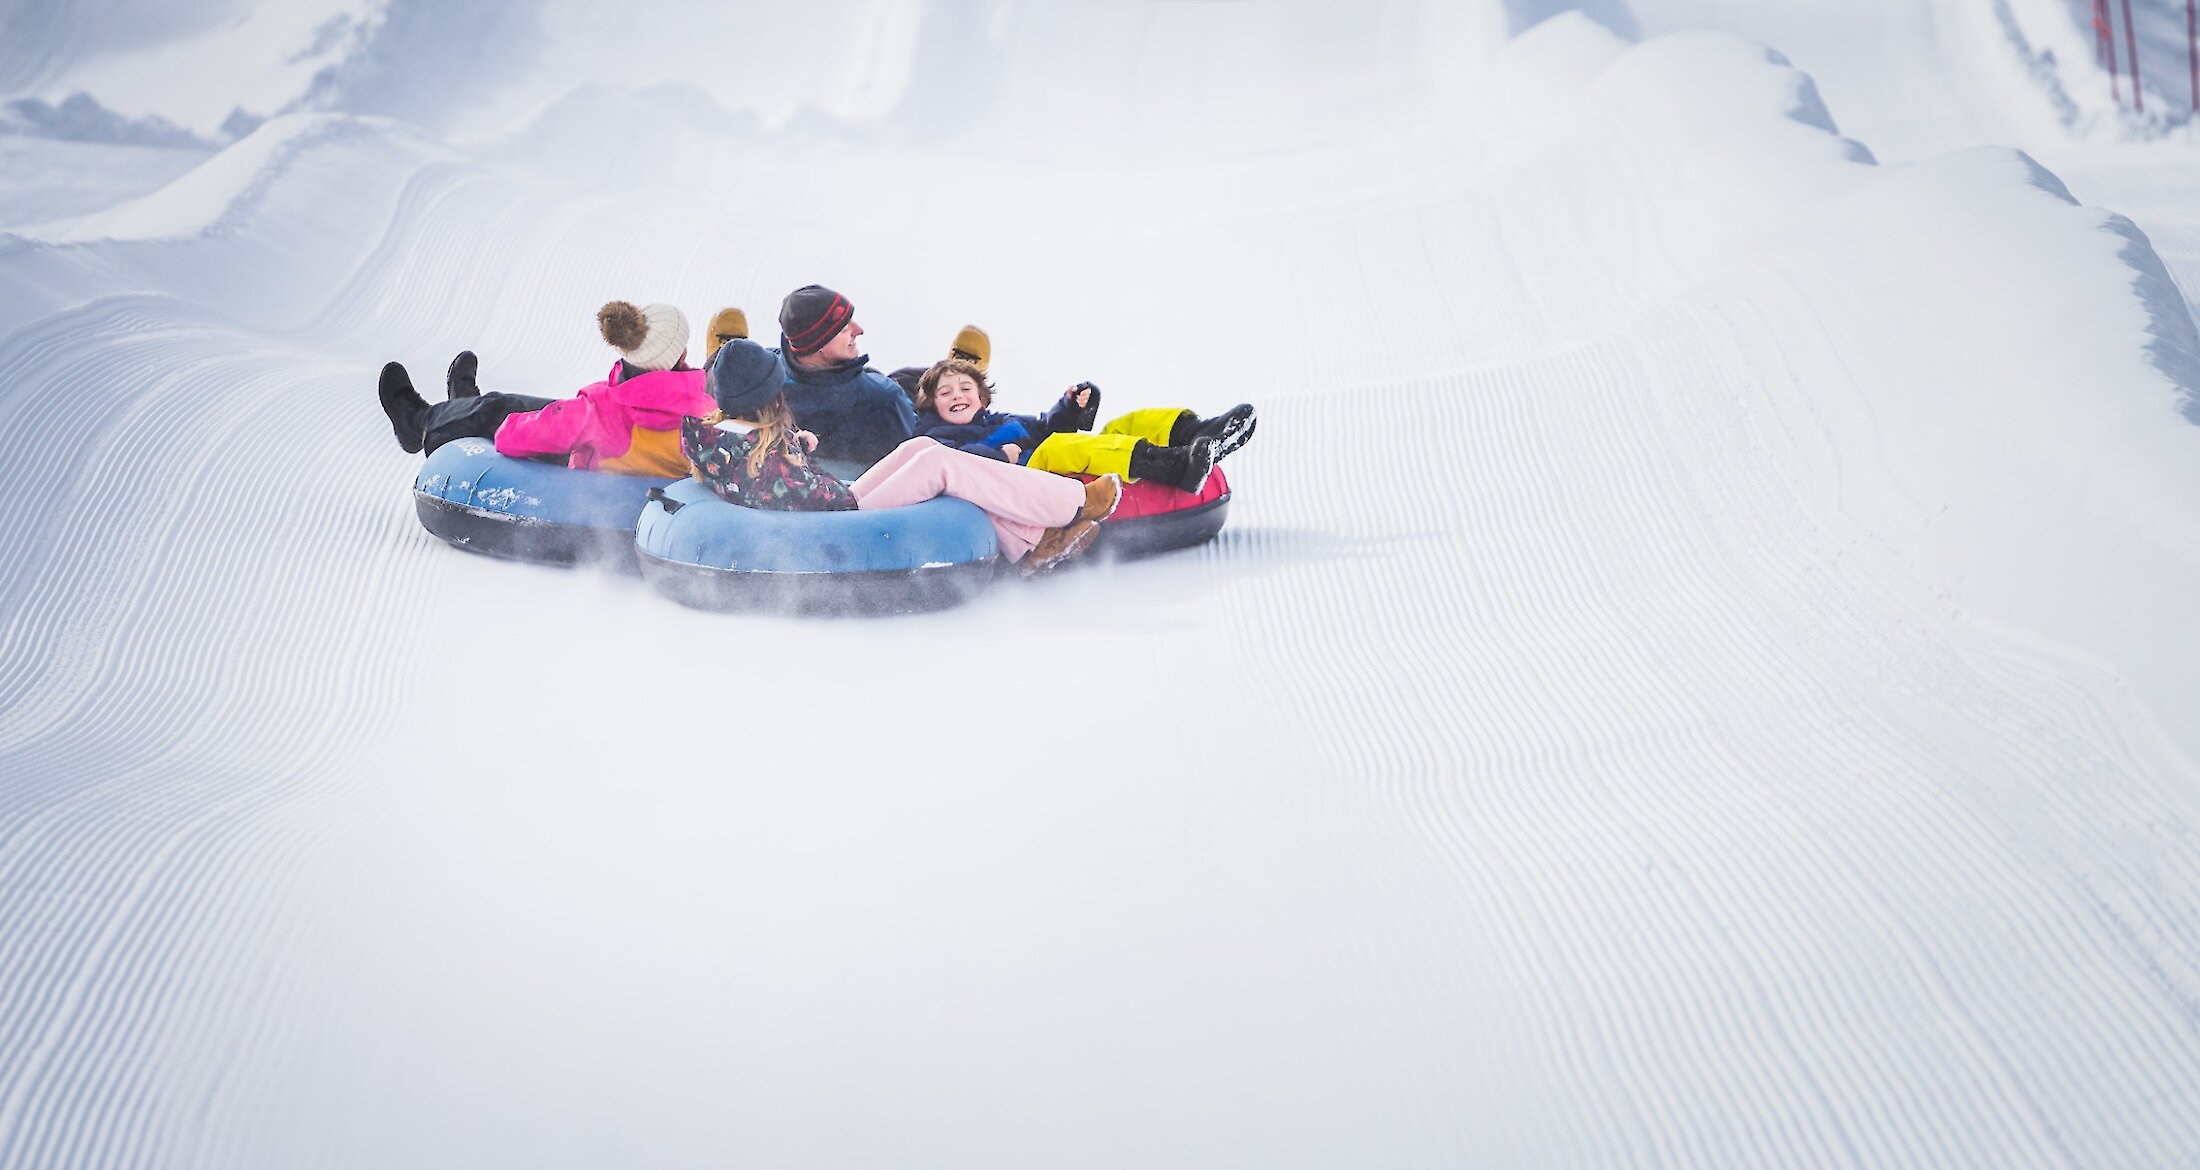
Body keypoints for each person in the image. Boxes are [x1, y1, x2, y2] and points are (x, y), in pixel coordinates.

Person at [684, 340, 1121, 573]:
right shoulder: (751, 447)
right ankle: (1074, 502)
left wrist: (796, 447)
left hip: (834, 499)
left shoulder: (723, 435)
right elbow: (776, 486)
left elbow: (765, 471)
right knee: (940, 462)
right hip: (834, 516)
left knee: (923, 447)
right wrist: (792, 454)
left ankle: (1034, 540)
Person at [375, 301, 716, 476]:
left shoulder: (598, 411)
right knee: (507, 408)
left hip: (590, 457)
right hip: (631, 454)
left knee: (499, 409)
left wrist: (508, 422)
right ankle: (466, 405)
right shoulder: (703, 405)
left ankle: (417, 423)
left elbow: (512, 437)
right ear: (682, 355)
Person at [910, 358, 1256, 494]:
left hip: (1041, 459)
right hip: (1025, 478)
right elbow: (953, 464)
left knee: (1122, 426)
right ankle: (1177, 466)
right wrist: (999, 453)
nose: (957, 396)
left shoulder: (1000, 420)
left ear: (983, 398)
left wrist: (1072, 409)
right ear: (931, 403)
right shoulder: (935, 437)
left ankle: (1202, 435)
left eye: (965, 388)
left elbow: (1046, 427)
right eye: (945, 392)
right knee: (1064, 447)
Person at [773, 285, 918, 466]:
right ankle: (955, 374)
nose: (859, 330)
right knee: (918, 386)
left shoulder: (763, 378)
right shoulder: (882, 399)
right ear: (818, 344)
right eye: (844, 328)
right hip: (857, 489)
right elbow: (917, 457)